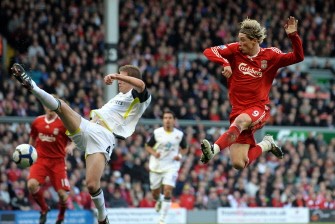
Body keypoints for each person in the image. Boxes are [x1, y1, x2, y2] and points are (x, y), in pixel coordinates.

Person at [11, 64, 151, 224]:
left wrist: (116, 76)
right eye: (119, 76)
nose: (119, 80)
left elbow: (141, 85)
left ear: (130, 79)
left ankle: (102, 217)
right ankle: (32, 86)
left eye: (122, 77)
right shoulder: (119, 96)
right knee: (60, 106)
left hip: (104, 137)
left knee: (91, 185)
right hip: (88, 127)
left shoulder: (139, 98)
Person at [200, 16, 304, 169]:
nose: (239, 43)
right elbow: (209, 51)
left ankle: (212, 151)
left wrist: (293, 36)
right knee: (239, 163)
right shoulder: (235, 50)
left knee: (241, 121)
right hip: (237, 109)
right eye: (239, 39)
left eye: (243, 40)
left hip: (258, 108)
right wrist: (225, 62)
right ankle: (267, 144)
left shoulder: (271, 56)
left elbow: (298, 57)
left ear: (254, 41)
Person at [28, 104, 75, 224]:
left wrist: (70, 146)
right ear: (44, 106)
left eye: (51, 105)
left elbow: (75, 138)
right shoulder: (37, 121)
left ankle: (60, 217)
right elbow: (33, 138)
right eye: (47, 105)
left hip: (57, 162)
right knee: (31, 185)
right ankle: (44, 209)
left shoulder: (63, 123)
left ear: (55, 107)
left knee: (62, 195)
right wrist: (29, 152)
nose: (49, 108)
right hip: (40, 159)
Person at [145, 111, 188, 224]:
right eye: (165, 118)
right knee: (155, 194)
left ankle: (162, 219)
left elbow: (185, 148)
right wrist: (154, 154)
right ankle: (159, 200)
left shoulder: (179, 135)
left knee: (168, 191)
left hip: (171, 166)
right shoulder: (157, 133)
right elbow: (148, 146)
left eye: (170, 118)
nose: (167, 120)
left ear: (174, 120)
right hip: (156, 166)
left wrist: (179, 155)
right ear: (163, 120)